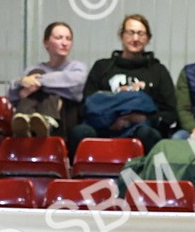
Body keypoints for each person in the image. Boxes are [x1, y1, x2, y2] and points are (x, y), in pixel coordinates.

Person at [65, 14, 178, 158]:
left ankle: (144, 172)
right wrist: (110, 121)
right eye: (130, 32)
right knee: (79, 133)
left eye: (141, 34)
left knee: (148, 134)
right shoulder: (102, 67)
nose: (135, 38)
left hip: (141, 129)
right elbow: (85, 106)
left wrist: (138, 119)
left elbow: (169, 113)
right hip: (102, 127)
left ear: (148, 39)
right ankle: (82, 172)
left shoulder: (158, 71)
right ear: (121, 35)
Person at [7, 22, 87, 138]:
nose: (64, 43)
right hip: (34, 115)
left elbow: (76, 92)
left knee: (49, 89)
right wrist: (21, 81)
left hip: (64, 119)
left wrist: (38, 83)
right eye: (59, 38)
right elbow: (12, 95)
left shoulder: (77, 67)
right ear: (46, 43)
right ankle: (25, 122)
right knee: (37, 72)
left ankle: (43, 121)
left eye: (68, 39)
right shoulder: (34, 69)